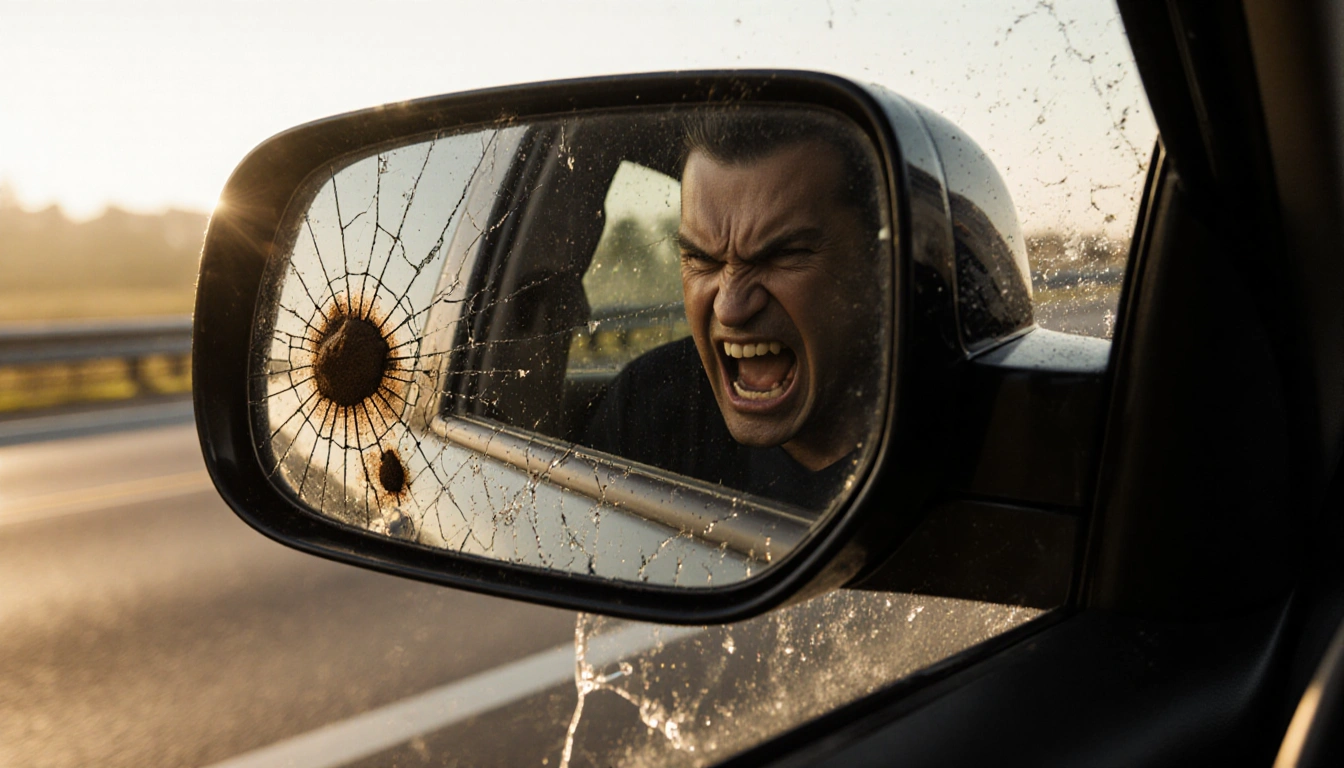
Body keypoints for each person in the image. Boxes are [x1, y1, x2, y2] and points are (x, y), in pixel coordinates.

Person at [582, 110, 886, 511]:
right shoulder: (646, 409)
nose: (730, 308)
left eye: (784, 255)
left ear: (881, 265)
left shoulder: (965, 445)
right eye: (702, 260)